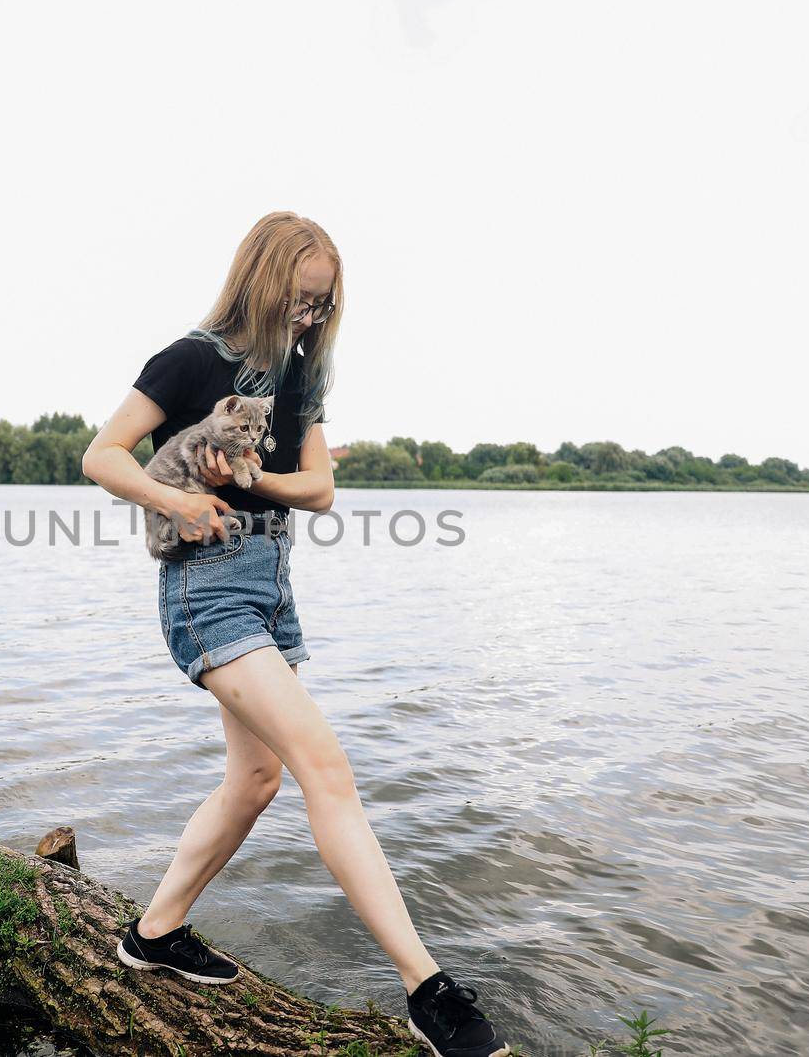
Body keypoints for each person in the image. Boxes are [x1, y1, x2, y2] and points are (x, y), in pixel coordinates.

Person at [81, 211, 510, 1057]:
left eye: (323, 306)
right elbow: (103, 455)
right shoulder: (192, 358)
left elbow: (317, 491)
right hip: (208, 588)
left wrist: (250, 476)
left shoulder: (303, 375)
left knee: (257, 778)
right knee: (327, 768)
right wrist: (179, 498)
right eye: (302, 300)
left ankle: (153, 936)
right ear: (266, 281)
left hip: (273, 586)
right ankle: (429, 992)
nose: (310, 318)